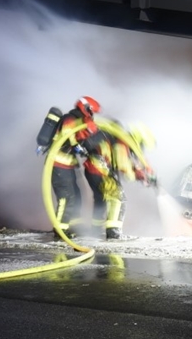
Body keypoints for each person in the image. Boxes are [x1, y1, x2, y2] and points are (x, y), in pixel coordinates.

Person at [35, 95, 101, 239]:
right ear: (86, 108)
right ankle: (61, 229)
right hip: (59, 164)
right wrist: (77, 147)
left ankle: (74, 225)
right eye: (91, 111)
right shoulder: (70, 119)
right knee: (67, 197)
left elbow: (81, 137)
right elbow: (68, 135)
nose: (92, 114)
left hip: (67, 165)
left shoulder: (79, 121)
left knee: (76, 196)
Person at [82, 121, 157, 240]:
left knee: (101, 200)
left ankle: (95, 231)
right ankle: (113, 233)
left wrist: (143, 175)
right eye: (142, 145)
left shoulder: (122, 140)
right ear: (138, 139)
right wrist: (137, 176)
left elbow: (129, 162)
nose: (141, 149)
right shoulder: (123, 142)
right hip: (100, 170)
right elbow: (123, 165)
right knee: (118, 199)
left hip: (94, 169)